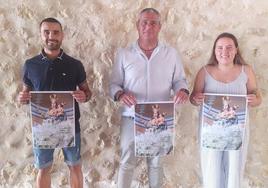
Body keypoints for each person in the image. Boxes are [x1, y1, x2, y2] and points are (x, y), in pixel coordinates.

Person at [109, 8, 189, 188]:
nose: (148, 26)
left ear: (160, 27)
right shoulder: (124, 54)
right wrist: (121, 94)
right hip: (131, 116)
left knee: (156, 163)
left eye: (153, 22)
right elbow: (114, 84)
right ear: (137, 26)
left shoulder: (171, 54)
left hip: (160, 118)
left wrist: (182, 90)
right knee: (127, 160)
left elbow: (180, 81)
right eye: (144, 22)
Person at [18, 17, 92, 188]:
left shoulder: (75, 65)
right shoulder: (30, 65)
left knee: (74, 165)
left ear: (62, 36)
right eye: (46, 32)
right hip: (42, 127)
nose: (51, 36)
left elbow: (87, 92)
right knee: (43, 168)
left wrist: (84, 96)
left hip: (70, 126)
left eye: (56, 32)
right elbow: (25, 93)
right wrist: (21, 98)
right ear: (40, 35)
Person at [190, 32, 261, 188]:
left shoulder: (246, 71)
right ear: (214, 51)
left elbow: (257, 97)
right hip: (210, 132)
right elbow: (193, 99)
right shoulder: (204, 71)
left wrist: (255, 100)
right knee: (211, 171)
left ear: (236, 50)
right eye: (220, 48)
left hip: (238, 132)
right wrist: (195, 98)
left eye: (229, 47)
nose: (224, 52)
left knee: (234, 171)